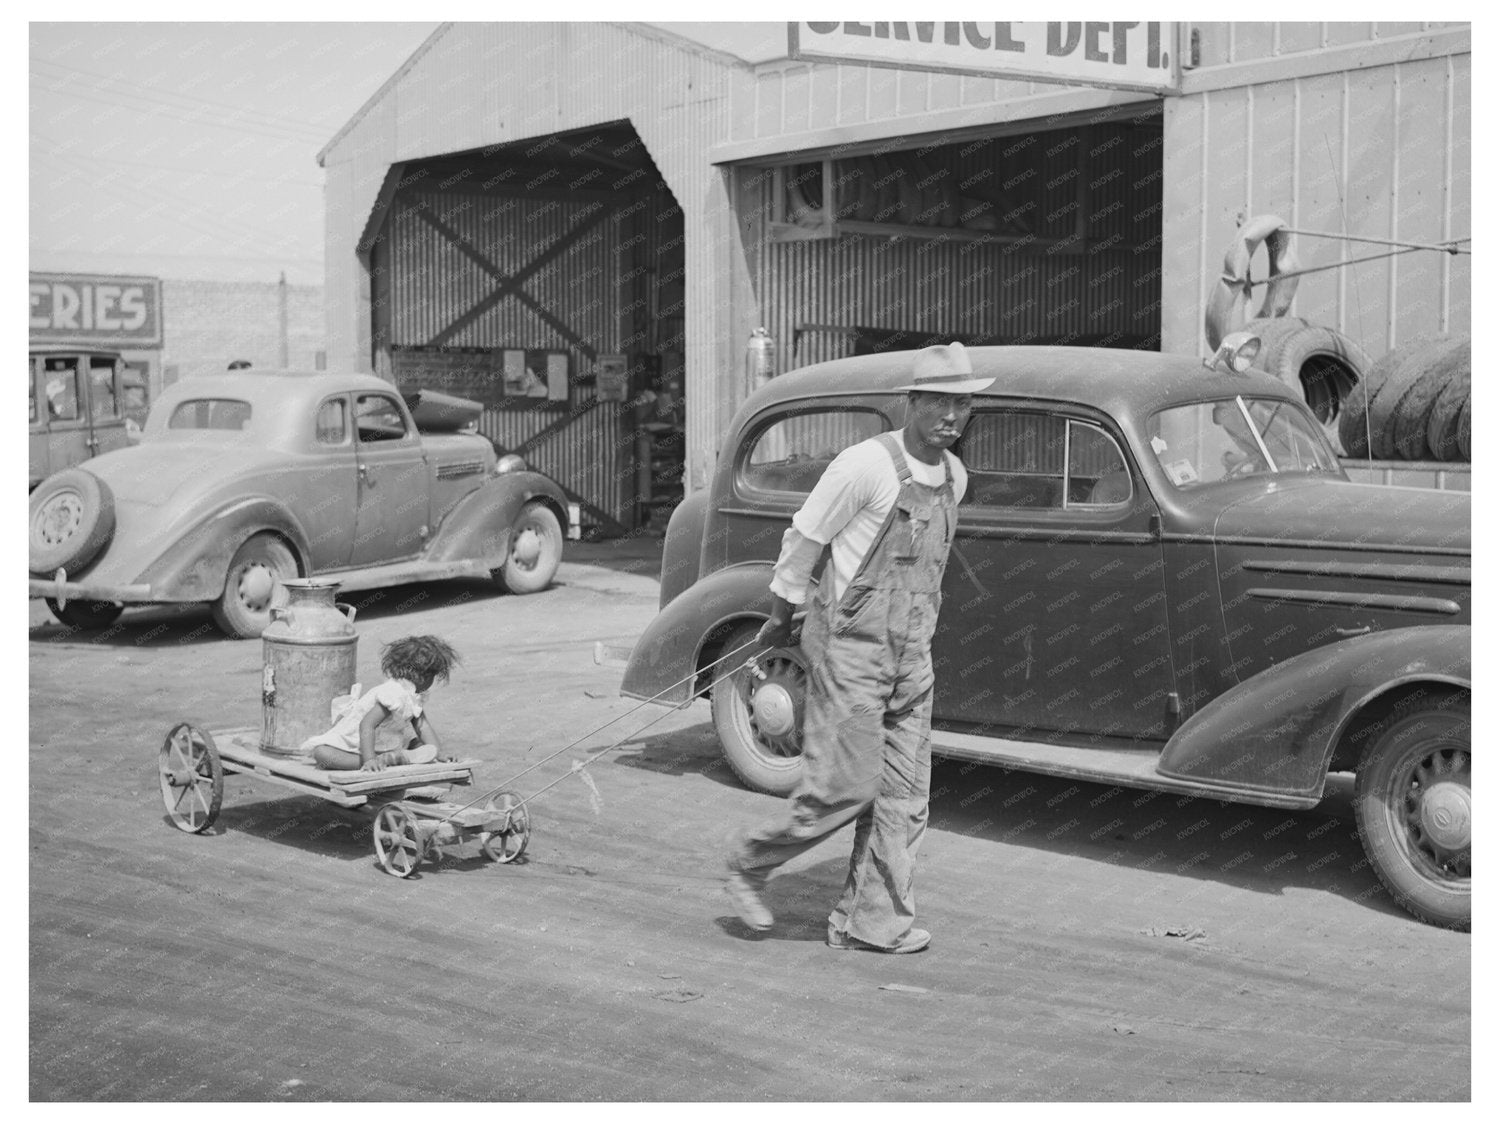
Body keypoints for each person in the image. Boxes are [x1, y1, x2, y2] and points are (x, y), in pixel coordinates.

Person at [723, 342, 993, 954]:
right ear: (912, 402)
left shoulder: (955, 476)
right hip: (851, 653)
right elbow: (805, 539)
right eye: (941, 402)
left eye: (963, 404)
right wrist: (780, 613)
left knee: (904, 799)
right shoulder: (864, 466)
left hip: (912, 657)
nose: (952, 416)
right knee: (843, 789)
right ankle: (748, 862)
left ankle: (872, 923)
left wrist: (915, 645)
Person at [302, 635, 460, 772]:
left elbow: (422, 726)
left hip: (384, 744)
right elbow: (367, 725)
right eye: (433, 676)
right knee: (323, 753)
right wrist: (369, 759)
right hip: (356, 744)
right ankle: (385, 760)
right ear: (422, 676)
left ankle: (390, 758)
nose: (432, 682)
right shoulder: (393, 693)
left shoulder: (414, 696)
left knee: (416, 743)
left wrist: (436, 753)